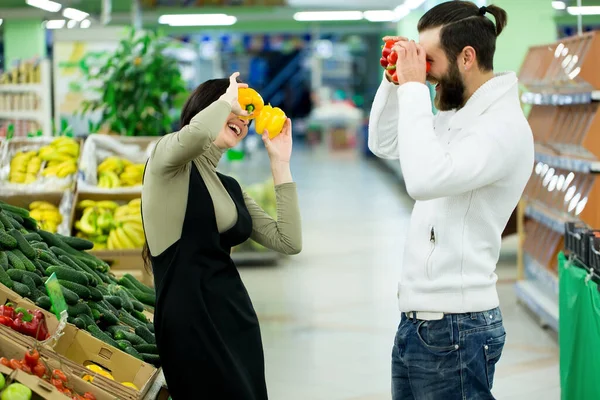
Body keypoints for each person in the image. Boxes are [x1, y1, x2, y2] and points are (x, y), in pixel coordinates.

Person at [368, 1, 534, 399]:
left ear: (467, 57)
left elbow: (424, 180)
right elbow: (384, 143)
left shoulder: (501, 128)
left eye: (429, 61)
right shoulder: (459, 115)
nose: (425, 74)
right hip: (423, 321)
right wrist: (395, 81)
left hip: (456, 326)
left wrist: (412, 88)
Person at [140, 72, 302, 399]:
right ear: (207, 109)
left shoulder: (229, 186)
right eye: (236, 109)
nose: (243, 119)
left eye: (247, 115)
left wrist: (280, 164)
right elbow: (195, 137)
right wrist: (227, 100)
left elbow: (289, 241)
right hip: (188, 323)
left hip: (234, 319)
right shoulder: (165, 163)